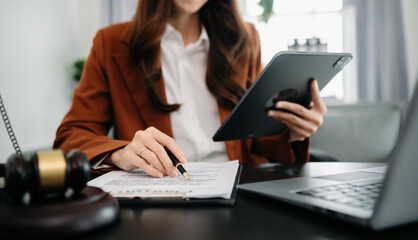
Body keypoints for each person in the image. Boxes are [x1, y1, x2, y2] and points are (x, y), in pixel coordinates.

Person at [53, 0, 327, 178]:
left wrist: (293, 130)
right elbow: (71, 136)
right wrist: (122, 152)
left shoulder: (243, 39)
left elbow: (255, 138)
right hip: (161, 194)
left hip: (242, 187)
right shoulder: (111, 44)